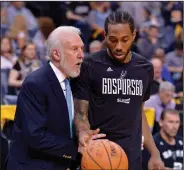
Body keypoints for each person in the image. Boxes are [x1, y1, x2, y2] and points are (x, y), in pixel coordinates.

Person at [72, 11, 165, 170]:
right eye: (113, 40)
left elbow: (139, 112)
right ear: (105, 35)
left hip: (132, 155)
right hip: (99, 153)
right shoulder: (89, 65)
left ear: (134, 35)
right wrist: (83, 132)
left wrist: (154, 153)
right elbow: (81, 113)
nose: (119, 47)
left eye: (125, 40)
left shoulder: (145, 69)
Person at [5, 26, 84, 170]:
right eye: (74, 49)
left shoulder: (75, 81)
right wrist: (76, 149)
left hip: (60, 163)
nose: (81, 55)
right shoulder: (35, 84)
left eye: (81, 48)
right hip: (33, 165)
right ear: (56, 54)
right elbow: (35, 136)